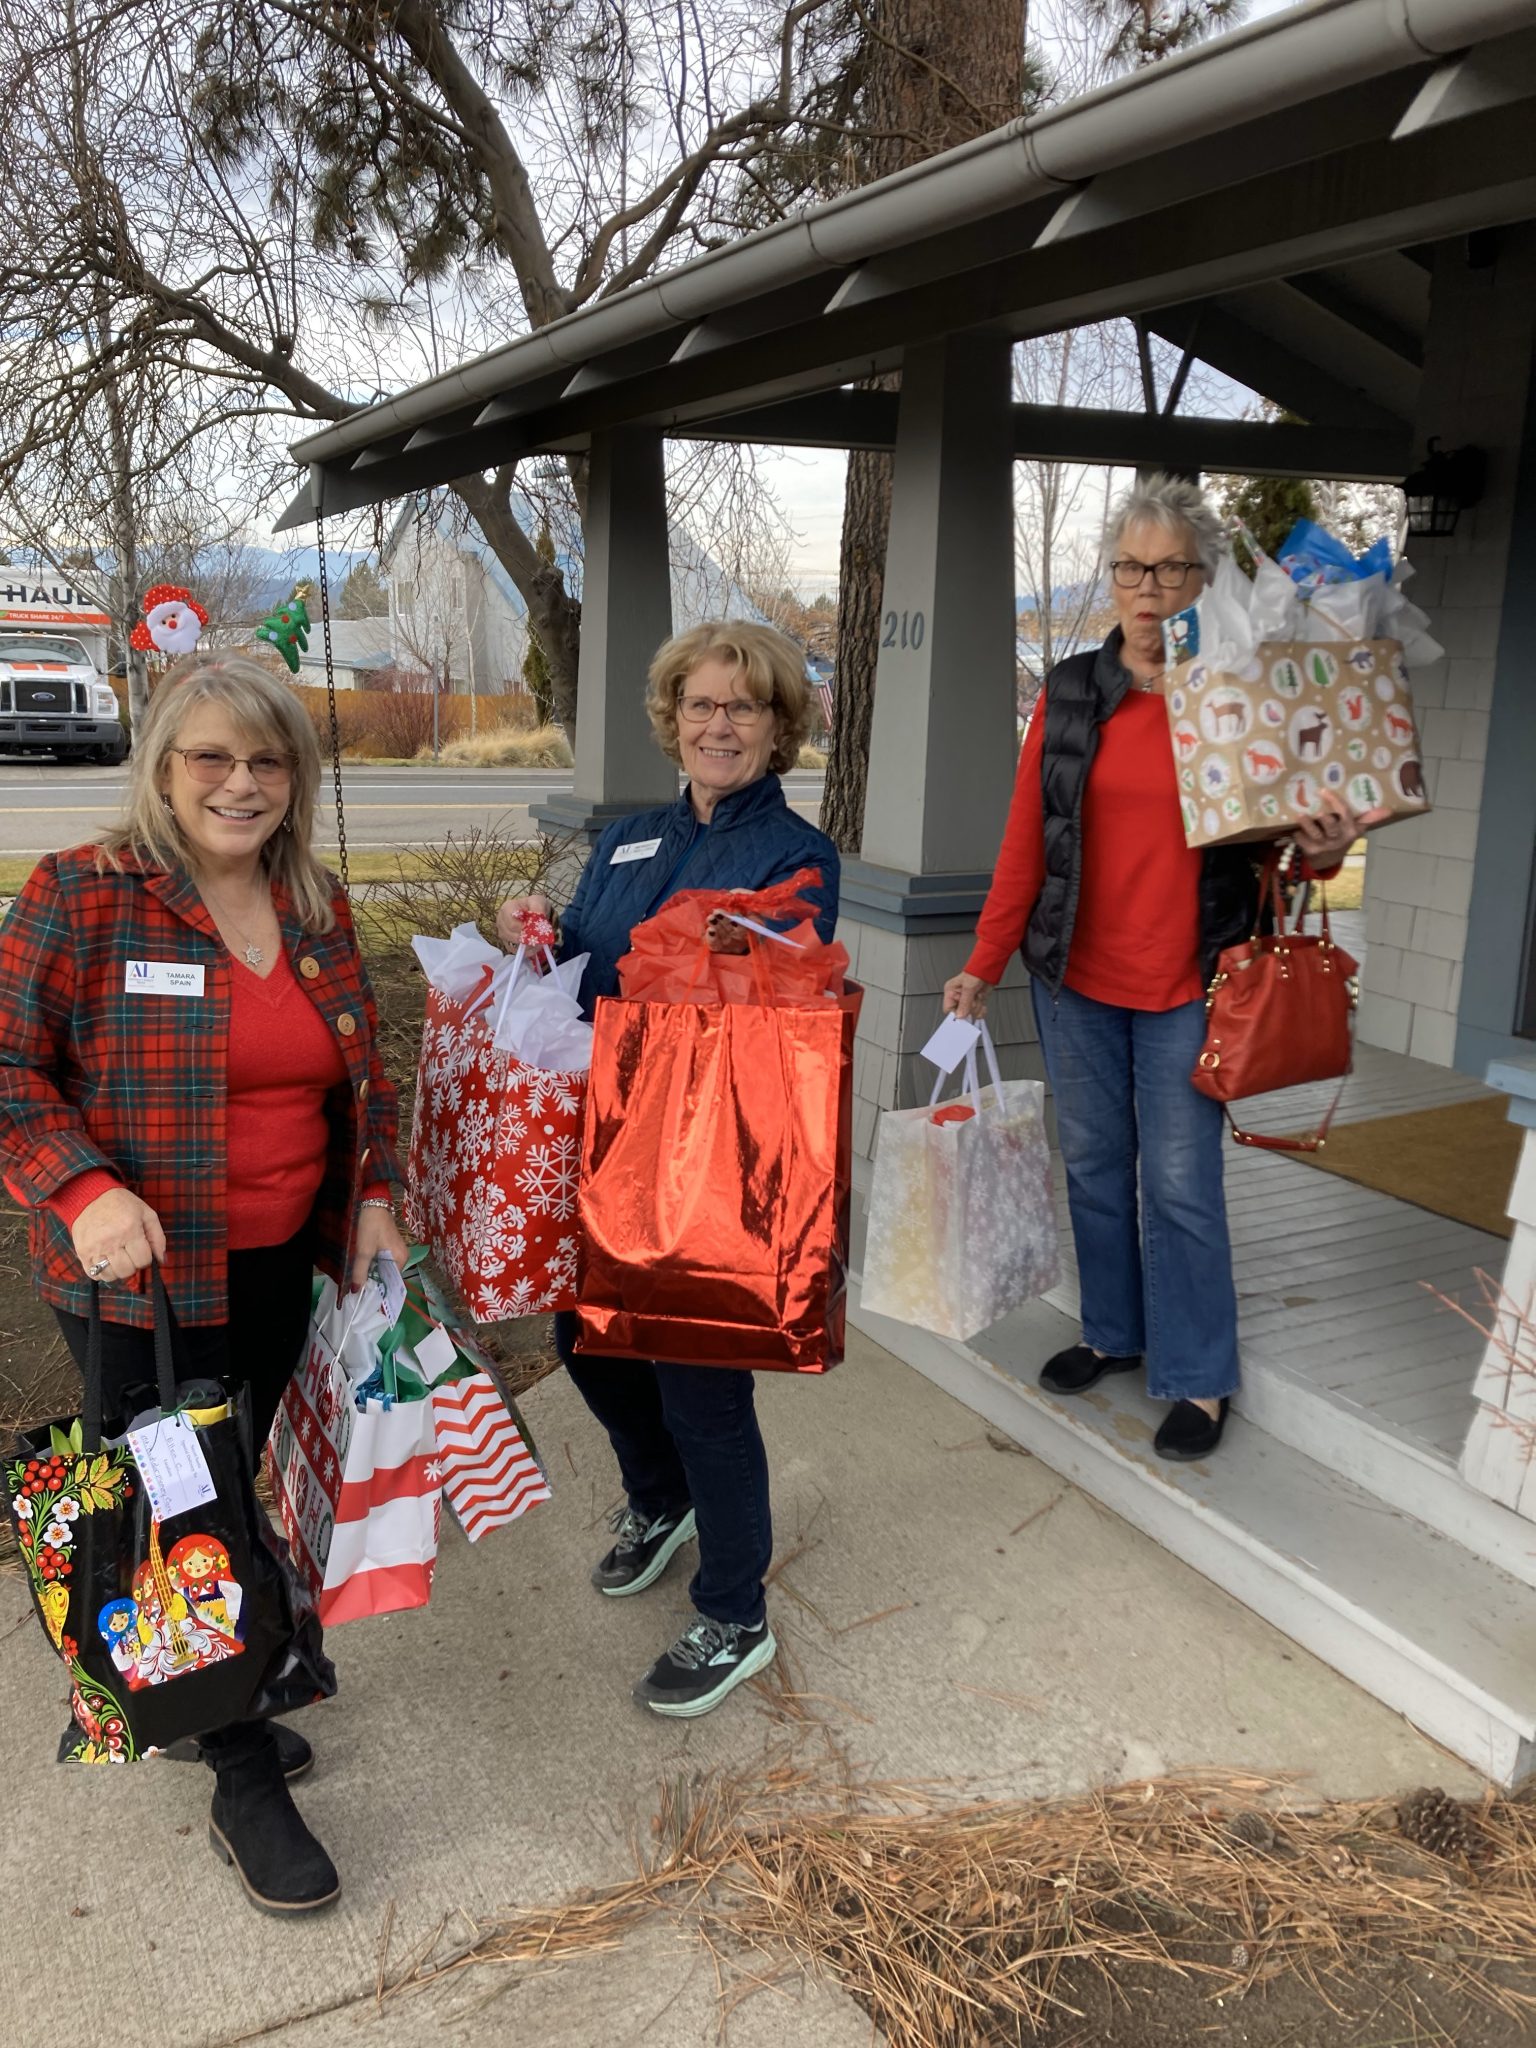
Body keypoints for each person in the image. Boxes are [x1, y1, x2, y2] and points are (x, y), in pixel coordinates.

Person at [0, 652, 408, 1914]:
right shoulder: (83, 896)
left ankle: (207, 1688)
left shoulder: (316, 904)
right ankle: (240, 1768)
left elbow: (365, 1078)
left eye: (270, 759)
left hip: (282, 1264)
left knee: (245, 1495)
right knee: (188, 1521)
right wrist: (82, 1185)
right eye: (213, 757)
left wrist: (377, 1198)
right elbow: (10, 1070)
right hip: (142, 1287)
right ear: (164, 769)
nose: (242, 782)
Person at [944, 475, 1355, 1462]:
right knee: (1091, 1163)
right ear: (1113, 575)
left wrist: (1329, 850)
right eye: (1132, 566)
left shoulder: (1245, 693)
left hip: (1191, 982)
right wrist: (980, 963)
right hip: (1074, 977)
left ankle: (1199, 1376)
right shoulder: (1072, 690)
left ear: (1204, 578)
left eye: (1172, 567)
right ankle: (1111, 1331)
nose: (1149, 586)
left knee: (1179, 1180)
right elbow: (1023, 844)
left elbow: (1291, 847)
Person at [497, 620, 838, 1718]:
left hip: (707, 1150)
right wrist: (542, 938)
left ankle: (735, 1609)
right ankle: (660, 1500)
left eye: (744, 705)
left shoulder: (797, 855)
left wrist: (684, 951)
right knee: (582, 1339)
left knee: (699, 1378)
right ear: (673, 718)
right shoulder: (631, 836)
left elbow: (763, 984)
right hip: (604, 1137)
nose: (719, 723)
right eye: (701, 703)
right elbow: (597, 960)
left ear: (779, 726)